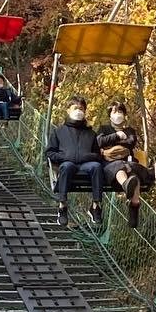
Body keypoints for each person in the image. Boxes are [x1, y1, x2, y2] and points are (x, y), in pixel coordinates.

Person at [46, 96, 104, 227]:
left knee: (96, 166)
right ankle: (62, 206)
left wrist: (88, 156)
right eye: (75, 108)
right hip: (67, 163)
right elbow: (50, 153)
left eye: (81, 109)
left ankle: (96, 206)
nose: (79, 111)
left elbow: (97, 154)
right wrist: (64, 156)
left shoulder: (91, 133)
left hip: (85, 164)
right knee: (67, 166)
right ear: (68, 110)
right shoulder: (59, 132)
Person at [96, 102, 152, 228]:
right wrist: (116, 136)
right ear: (110, 115)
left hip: (129, 161)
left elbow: (131, 142)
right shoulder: (104, 129)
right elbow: (99, 141)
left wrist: (111, 147)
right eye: (114, 112)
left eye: (120, 112)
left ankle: (134, 202)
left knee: (134, 174)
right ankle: (127, 187)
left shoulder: (129, 131)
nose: (118, 114)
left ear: (124, 115)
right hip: (110, 164)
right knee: (119, 168)